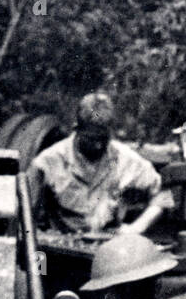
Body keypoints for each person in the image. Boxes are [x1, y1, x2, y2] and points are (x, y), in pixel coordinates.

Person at [28, 93, 172, 237]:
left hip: (110, 246)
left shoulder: (125, 159)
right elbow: (25, 213)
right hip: (63, 247)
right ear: (77, 129)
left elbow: (163, 194)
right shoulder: (48, 162)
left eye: (102, 139)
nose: (97, 145)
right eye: (90, 138)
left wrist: (137, 227)